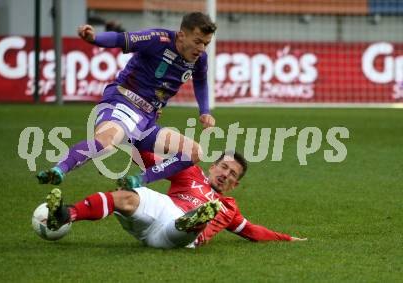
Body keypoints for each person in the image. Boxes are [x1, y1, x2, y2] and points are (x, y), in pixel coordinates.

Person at [37, 12, 217, 189]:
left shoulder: (200, 60)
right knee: (107, 142)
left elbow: (200, 82)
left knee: (194, 152)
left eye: (206, 43)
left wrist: (205, 111)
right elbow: (121, 39)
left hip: (147, 120)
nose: (201, 48)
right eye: (197, 41)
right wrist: (94, 38)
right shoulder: (158, 39)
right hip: (124, 101)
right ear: (181, 35)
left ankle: (138, 180)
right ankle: (59, 169)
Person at [45, 151, 306, 249]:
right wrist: (134, 137)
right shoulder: (189, 170)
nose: (225, 174)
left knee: (187, 224)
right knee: (125, 197)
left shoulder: (229, 208)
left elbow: (251, 231)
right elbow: (151, 160)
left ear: (235, 184)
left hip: (177, 237)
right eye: (223, 168)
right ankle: (66, 215)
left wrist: (286, 238)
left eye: (232, 174)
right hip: (163, 209)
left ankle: (195, 222)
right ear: (213, 166)